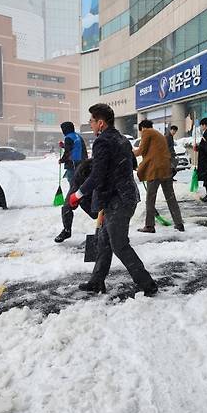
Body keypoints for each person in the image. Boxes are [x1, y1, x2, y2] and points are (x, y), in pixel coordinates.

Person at [68, 103, 158, 296]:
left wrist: (78, 194)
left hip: (118, 200)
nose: (90, 124)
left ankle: (148, 284)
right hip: (123, 196)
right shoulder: (122, 139)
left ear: (100, 123)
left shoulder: (102, 142)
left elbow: (97, 175)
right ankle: (96, 281)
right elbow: (129, 164)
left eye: (91, 121)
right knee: (104, 241)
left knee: (119, 244)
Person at [134, 119, 184, 233]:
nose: (142, 134)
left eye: (141, 131)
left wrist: (128, 152)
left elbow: (141, 150)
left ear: (143, 128)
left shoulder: (147, 132)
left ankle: (149, 226)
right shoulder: (160, 135)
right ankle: (179, 223)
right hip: (166, 169)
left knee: (150, 199)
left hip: (154, 171)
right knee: (171, 198)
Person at [54, 159, 98, 243]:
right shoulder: (82, 171)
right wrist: (74, 199)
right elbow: (76, 186)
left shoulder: (104, 168)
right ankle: (66, 230)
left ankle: (108, 231)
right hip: (82, 188)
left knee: (99, 212)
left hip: (98, 189)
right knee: (67, 207)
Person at [196, 117, 207, 202]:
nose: (201, 127)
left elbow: (206, 147)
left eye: (201, 125)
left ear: (204, 125)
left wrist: (199, 147)